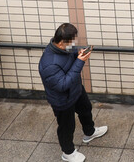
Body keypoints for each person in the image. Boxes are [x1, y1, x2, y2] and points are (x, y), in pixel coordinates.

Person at [38, 23, 108, 162]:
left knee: (85, 109)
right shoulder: (49, 64)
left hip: (76, 90)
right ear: (62, 41)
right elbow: (62, 85)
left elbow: (69, 59)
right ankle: (68, 153)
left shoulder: (65, 49)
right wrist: (80, 61)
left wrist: (78, 54)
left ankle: (90, 132)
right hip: (62, 100)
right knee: (66, 126)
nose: (74, 42)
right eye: (72, 40)